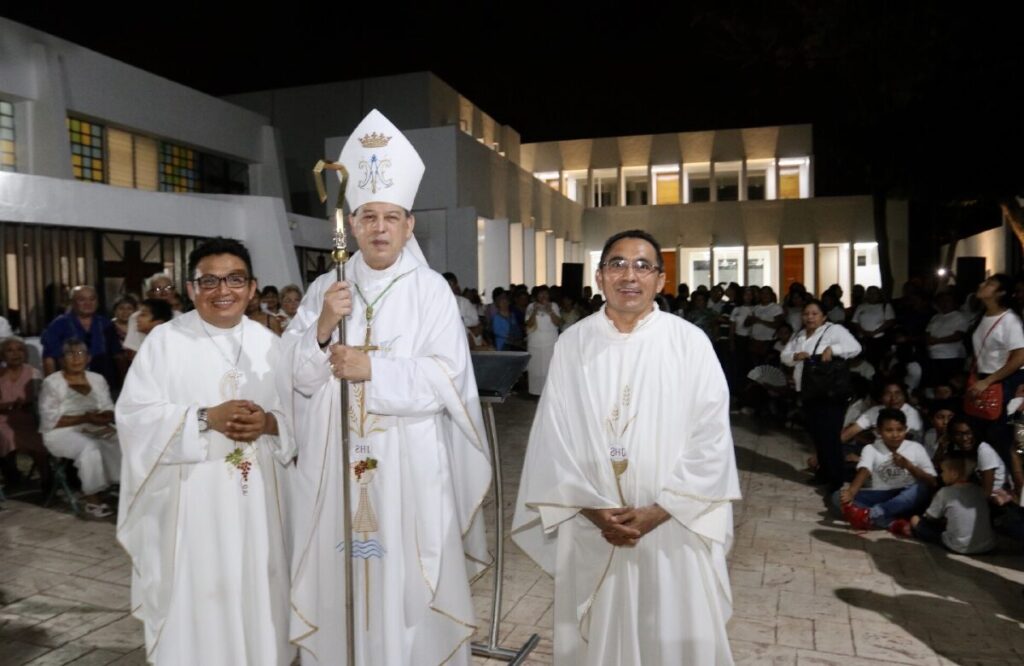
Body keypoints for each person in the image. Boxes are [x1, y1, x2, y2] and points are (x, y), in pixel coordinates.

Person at [281, 109, 490, 665]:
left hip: (408, 462)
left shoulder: (431, 293)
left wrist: (373, 370)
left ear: (408, 225)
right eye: (367, 216)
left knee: (403, 578)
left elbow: (448, 380)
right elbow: (294, 378)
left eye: (390, 217)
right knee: (340, 576)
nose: (378, 228)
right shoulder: (327, 286)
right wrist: (323, 329)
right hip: (335, 460)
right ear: (350, 225)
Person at [512, 229, 740, 665]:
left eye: (642, 266)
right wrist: (590, 507)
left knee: (672, 634)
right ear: (599, 277)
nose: (629, 275)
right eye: (617, 264)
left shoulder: (688, 343)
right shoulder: (573, 344)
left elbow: (711, 437)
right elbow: (552, 437)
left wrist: (661, 509)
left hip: (674, 524)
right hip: (592, 523)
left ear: (660, 279)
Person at [115, 237, 295, 665]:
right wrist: (203, 418)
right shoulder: (165, 342)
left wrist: (270, 423)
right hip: (192, 499)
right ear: (192, 289)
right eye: (209, 281)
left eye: (234, 279)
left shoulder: (273, 345)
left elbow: (301, 417)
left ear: (252, 288)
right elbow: (134, 416)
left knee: (260, 588)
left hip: (261, 507)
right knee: (200, 593)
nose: (223, 290)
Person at [781, 299, 862, 490]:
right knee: (817, 434)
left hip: (831, 391)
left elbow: (856, 348)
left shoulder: (834, 330)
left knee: (830, 435)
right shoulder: (799, 335)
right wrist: (795, 356)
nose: (809, 317)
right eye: (806, 313)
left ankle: (836, 478)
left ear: (824, 316)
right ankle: (824, 472)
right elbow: (784, 356)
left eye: (814, 313)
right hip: (808, 390)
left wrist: (833, 349)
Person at [39, 338, 120, 517]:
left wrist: (100, 419)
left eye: (81, 353)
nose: (76, 358)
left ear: (88, 358)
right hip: (59, 433)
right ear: (61, 360)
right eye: (70, 354)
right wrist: (85, 417)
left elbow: (108, 409)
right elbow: (49, 420)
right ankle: (92, 500)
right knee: (89, 448)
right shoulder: (52, 382)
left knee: (124, 441)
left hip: (93, 425)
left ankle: (123, 487)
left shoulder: (97, 379)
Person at [833, 408, 936, 530]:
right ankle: (891, 523)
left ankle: (871, 515)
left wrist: (909, 466)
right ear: (878, 431)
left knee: (921, 488)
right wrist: (851, 492)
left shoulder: (916, 448)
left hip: (907, 498)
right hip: (882, 494)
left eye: (899, 430)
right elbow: (864, 470)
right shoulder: (871, 448)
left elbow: (932, 482)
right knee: (837, 496)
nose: (895, 435)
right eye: (889, 430)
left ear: (906, 428)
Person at [892, 451, 995, 553]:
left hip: (958, 546)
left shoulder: (945, 492)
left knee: (915, 520)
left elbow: (930, 517)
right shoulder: (978, 489)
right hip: (986, 545)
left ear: (954, 474)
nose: (941, 475)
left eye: (943, 471)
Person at [40, 285, 119, 387]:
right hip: (69, 383)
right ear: (72, 302)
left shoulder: (106, 323)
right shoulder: (58, 324)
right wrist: (52, 385)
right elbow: (49, 359)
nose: (88, 303)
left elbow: (118, 355)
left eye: (92, 299)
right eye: (82, 299)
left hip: (104, 382)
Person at [0, 336, 48, 491]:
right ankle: (12, 475)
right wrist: (8, 406)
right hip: (3, 420)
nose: (15, 354)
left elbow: (41, 400)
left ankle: (47, 481)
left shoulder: (33, 373)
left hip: (29, 418)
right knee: (6, 436)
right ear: (2, 355)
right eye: (10, 350)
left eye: (20, 350)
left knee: (39, 441)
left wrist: (28, 403)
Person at [122, 273, 181, 356]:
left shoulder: (181, 318)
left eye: (168, 288)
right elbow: (134, 349)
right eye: (157, 289)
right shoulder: (136, 318)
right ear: (149, 294)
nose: (163, 293)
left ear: (174, 292)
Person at [525, 285, 561, 396]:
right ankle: (535, 393)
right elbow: (528, 323)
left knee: (549, 369)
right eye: (541, 293)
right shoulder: (531, 306)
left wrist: (550, 311)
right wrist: (534, 311)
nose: (543, 296)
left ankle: (549, 393)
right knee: (535, 369)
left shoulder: (554, 305)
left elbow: (558, 322)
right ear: (536, 295)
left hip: (550, 343)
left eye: (545, 293)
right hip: (535, 342)